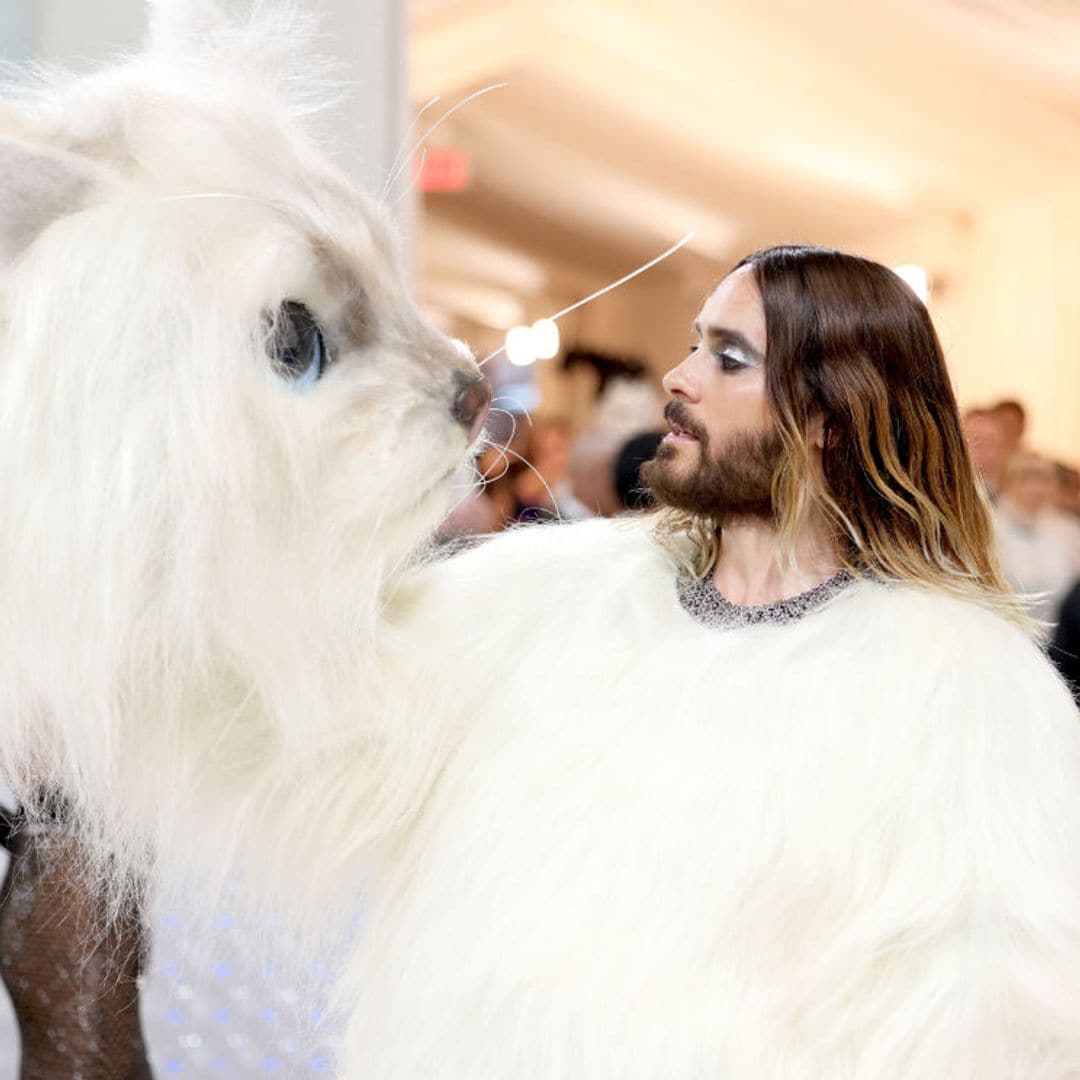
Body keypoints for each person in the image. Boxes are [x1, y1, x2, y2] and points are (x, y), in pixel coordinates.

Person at [331, 245, 1080, 1076]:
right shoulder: (549, 594)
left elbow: (999, 1016)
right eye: (694, 345)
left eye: (728, 358)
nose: (678, 379)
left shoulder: (960, 683)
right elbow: (329, 714)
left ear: (830, 417)